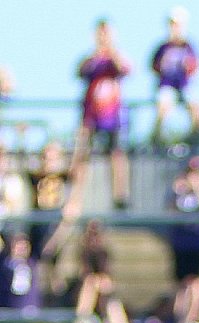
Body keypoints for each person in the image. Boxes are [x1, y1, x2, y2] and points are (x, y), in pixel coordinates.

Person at [73, 19, 132, 208]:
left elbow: (126, 68)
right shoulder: (91, 60)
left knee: (117, 155)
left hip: (113, 116)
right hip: (91, 115)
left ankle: (120, 199)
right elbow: (79, 71)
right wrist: (96, 53)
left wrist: (111, 50)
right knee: (82, 155)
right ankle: (75, 199)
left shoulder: (115, 58)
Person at [150, 6, 199, 147]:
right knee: (162, 107)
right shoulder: (163, 47)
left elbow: (196, 66)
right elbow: (153, 66)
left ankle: (196, 141)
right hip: (167, 84)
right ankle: (158, 141)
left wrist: (188, 67)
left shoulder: (188, 46)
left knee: (196, 108)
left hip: (185, 84)